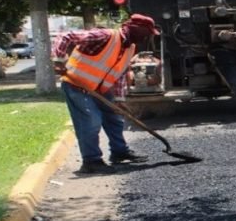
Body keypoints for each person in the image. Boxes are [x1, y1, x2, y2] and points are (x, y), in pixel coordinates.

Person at [52, 14, 160, 174]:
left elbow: (120, 73)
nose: (146, 37)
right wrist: (59, 60)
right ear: (135, 29)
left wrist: (119, 99)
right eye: (146, 33)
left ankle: (119, 152)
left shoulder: (130, 47)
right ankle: (91, 161)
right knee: (91, 121)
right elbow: (65, 36)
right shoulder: (105, 35)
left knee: (115, 118)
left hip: (99, 88)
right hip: (77, 85)